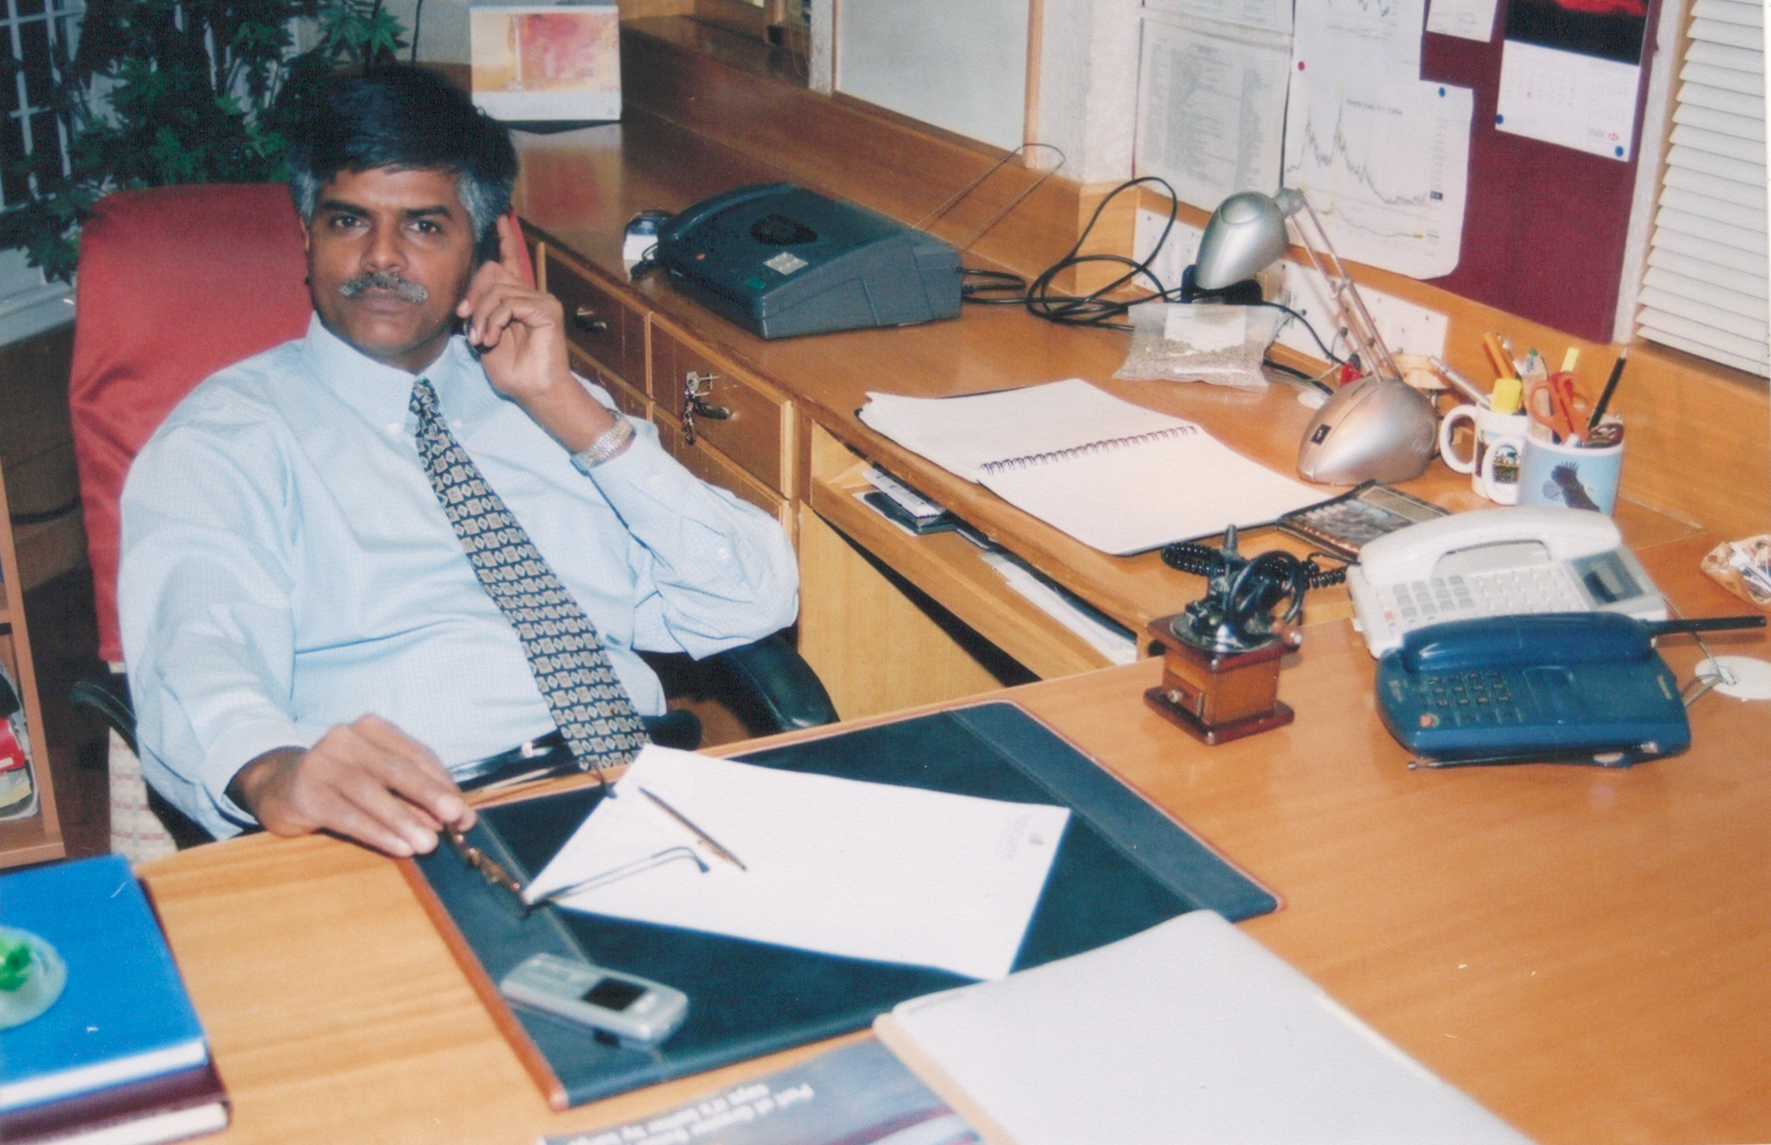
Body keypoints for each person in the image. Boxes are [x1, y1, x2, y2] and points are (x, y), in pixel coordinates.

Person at [117, 67, 799, 858]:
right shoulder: (226, 439)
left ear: (479, 250)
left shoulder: (543, 400)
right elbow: (200, 650)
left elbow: (750, 600)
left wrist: (571, 412)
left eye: (423, 227)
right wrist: (274, 773)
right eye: (347, 221)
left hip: (637, 796)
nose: (379, 258)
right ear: (305, 236)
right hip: (407, 831)